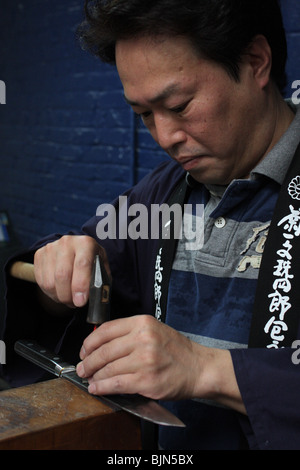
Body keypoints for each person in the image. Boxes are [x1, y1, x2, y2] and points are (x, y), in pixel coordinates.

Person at [3, 0, 300, 450]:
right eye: (144, 115)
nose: (164, 138)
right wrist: (62, 271)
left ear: (255, 62)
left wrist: (206, 370)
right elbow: (84, 263)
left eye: (179, 105)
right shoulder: (164, 193)